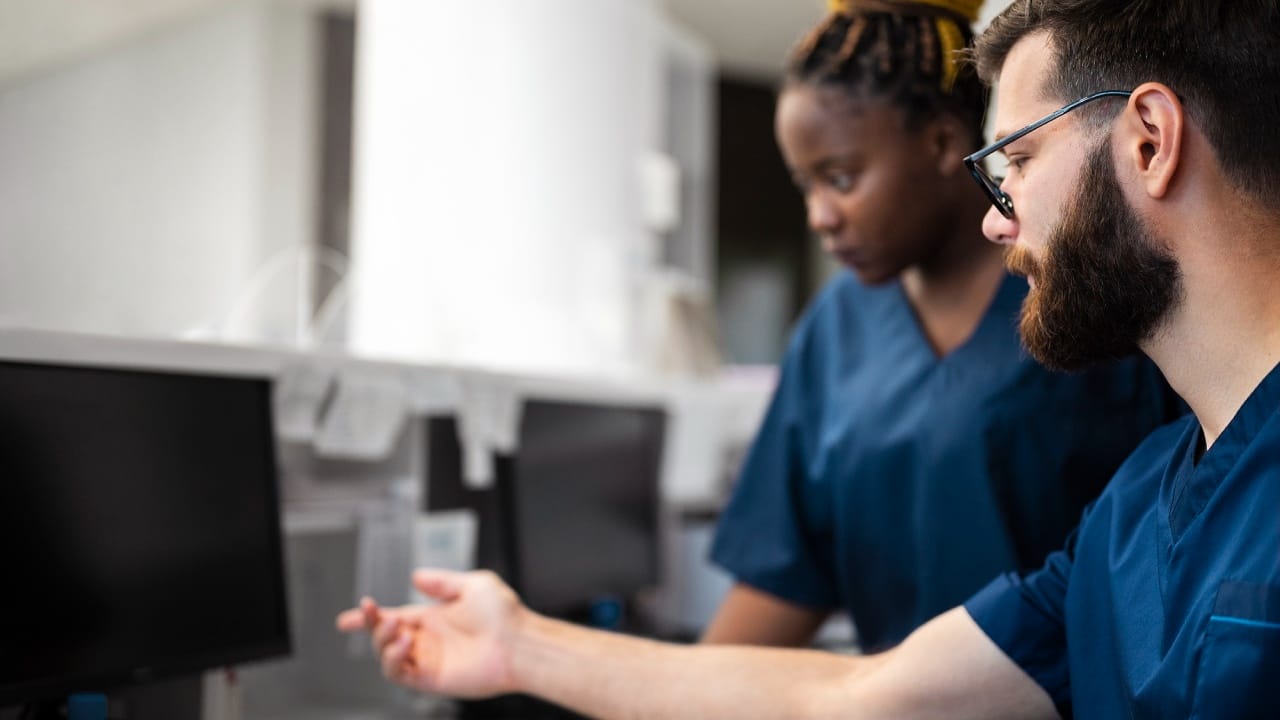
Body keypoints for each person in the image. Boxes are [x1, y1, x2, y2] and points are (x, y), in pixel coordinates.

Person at [337, 0, 1280, 716]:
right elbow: (860, 696)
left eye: (1018, 163)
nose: (998, 216)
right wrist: (523, 651)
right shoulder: (1132, 519)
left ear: (1150, 142)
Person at [704, 0, 1181, 652]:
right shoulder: (835, 328)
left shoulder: (1083, 290)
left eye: (841, 178)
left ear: (943, 144)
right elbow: (784, 576)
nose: (820, 216)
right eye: (805, 186)